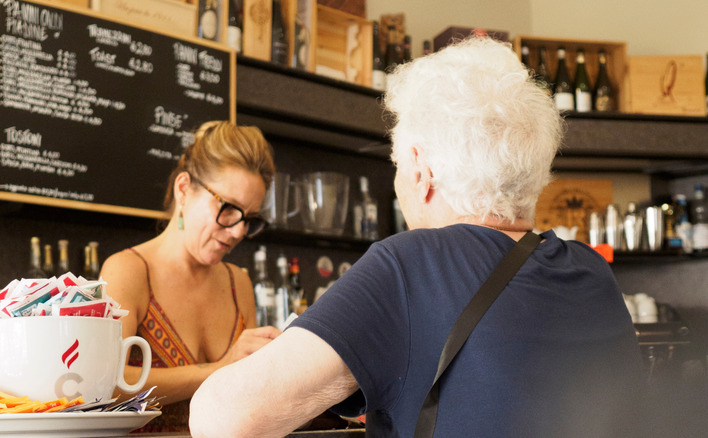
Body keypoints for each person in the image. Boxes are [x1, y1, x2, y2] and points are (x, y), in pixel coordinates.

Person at [189, 38, 643, 437]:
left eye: (397, 167)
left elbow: (223, 418)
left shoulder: (412, 264)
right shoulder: (592, 272)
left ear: (421, 170)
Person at [100, 120, 280, 432]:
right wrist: (220, 369)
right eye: (228, 208)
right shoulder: (128, 271)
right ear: (183, 189)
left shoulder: (239, 282)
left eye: (249, 218)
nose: (238, 231)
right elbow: (107, 385)